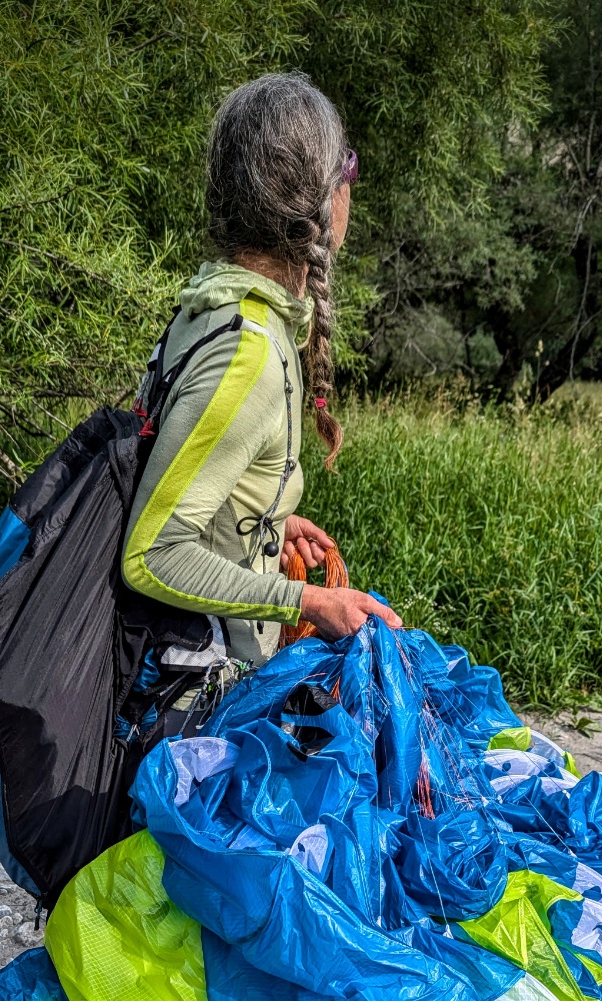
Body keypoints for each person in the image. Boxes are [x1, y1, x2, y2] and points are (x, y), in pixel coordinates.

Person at [121, 72, 402, 710]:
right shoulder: (249, 351)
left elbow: (182, 474)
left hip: (188, 677)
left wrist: (265, 522)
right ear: (324, 200)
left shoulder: (212, 304)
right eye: (348, 167)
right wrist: (309, 600)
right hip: (195, 711)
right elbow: (154, 553)